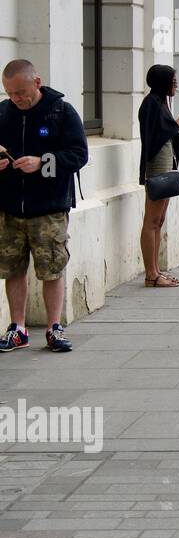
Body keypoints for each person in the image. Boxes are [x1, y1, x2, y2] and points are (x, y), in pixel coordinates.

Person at [0, 60, 90, 351]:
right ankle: (18, 327)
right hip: (9, 207)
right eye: (10, 93)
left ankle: (54, 327)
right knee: (13, 269)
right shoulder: (2, 114)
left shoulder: (61, 112)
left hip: (49, 207)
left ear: (37, 83)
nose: (17, 99)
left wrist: (42, 163)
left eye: (21, 92)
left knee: (52, 268)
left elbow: (78, 155)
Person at [138, 64, 179, 288]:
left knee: (159, 220)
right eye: (173, 81)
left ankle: (155, 271)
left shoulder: (159, 102)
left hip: (163, 165)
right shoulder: (152, 104)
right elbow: (155, 137)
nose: (176, 85)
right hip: (157, 167)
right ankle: (151, 274)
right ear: (163, 82)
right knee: (152, 220)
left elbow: (163, 132)